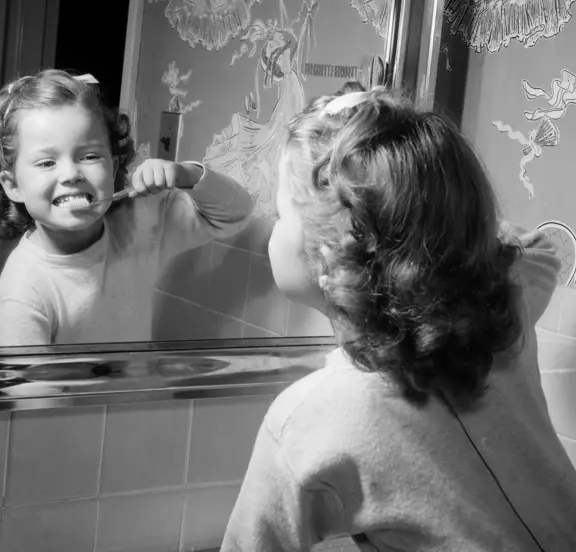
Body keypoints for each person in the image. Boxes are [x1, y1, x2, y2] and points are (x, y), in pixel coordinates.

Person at [221, 84, 576, 550]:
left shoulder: (310, 420)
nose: (271, 227)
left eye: (282, 213)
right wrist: (433, 212)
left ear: (329, 256)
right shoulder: (505, 312)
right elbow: (538, 250)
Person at [0, 70, 253, 346]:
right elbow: (38, 397)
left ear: (113, 166)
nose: (71, 174)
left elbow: (235, 214)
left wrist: (185, 174)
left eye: (89, 156)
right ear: (13, 185)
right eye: (47, 162)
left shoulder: (142, 218)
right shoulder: (18, 298)